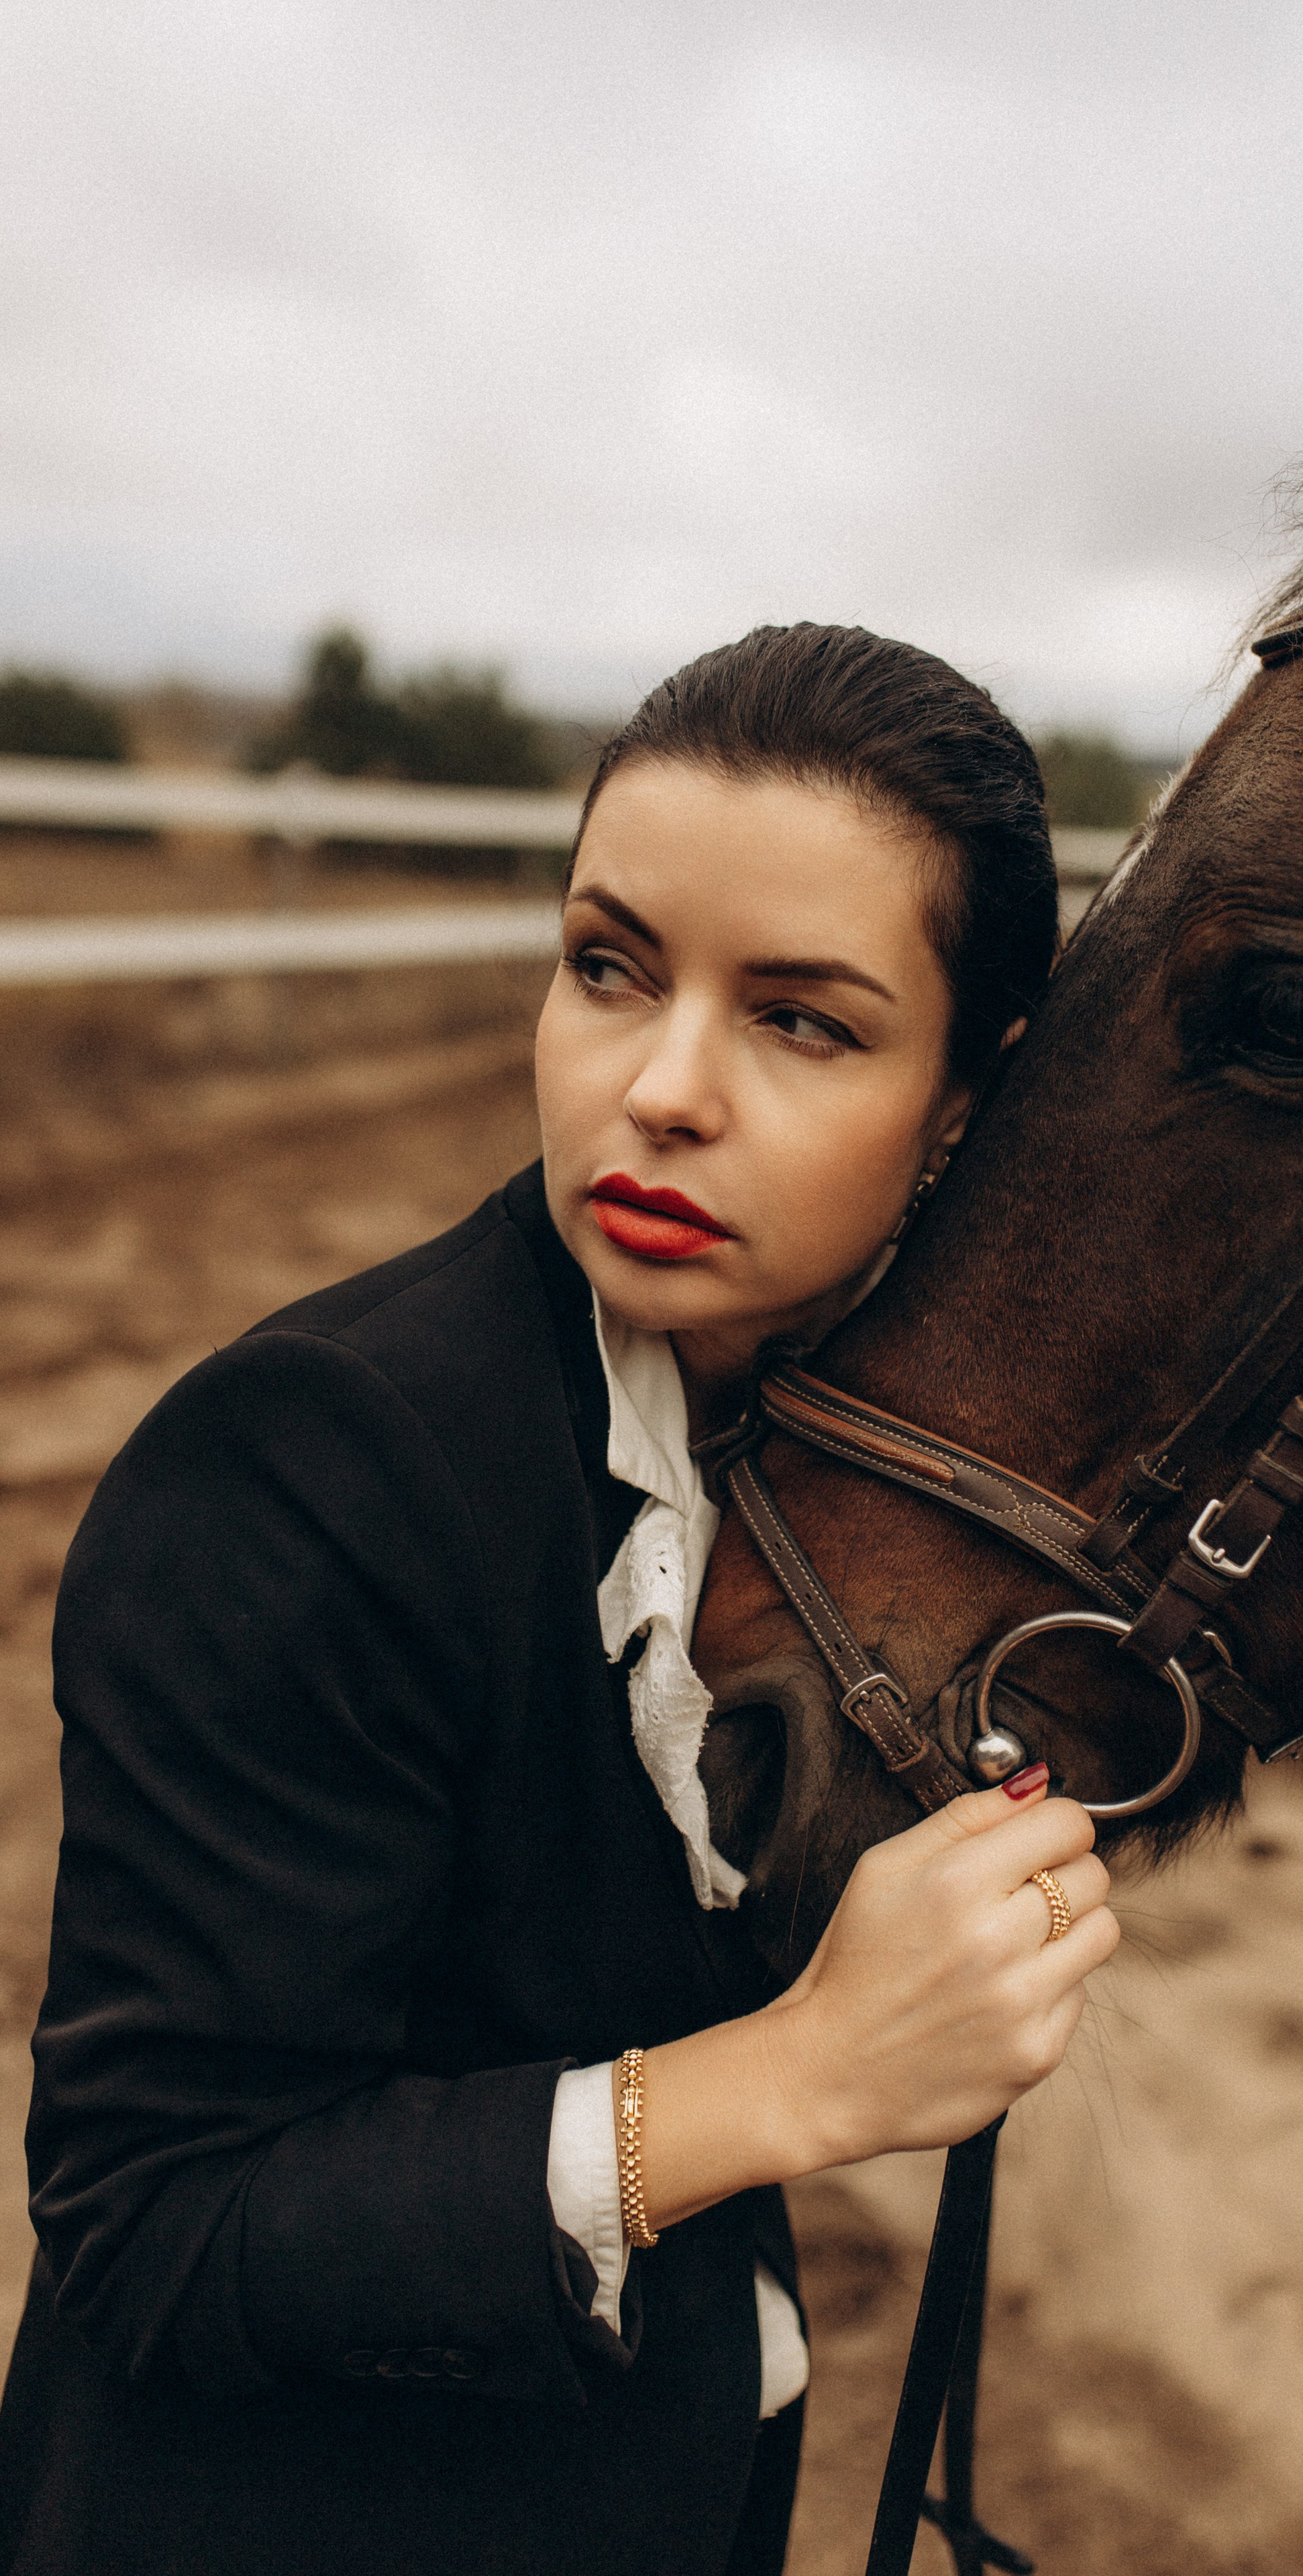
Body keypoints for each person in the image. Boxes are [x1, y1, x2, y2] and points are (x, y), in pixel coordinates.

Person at [0, 624, 1119, 2576]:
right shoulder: (297, 1471)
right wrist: (800, 2078)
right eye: (611, 967)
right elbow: (158, 2224)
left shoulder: (881, 1461)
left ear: (972, 1101)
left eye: (802, 1020)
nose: (662, 1087)